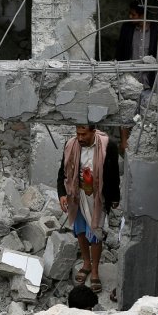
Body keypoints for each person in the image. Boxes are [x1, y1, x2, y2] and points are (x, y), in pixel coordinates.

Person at [57, 125, 120, 293]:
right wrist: (62, 194)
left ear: (94, 131)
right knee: (81, 231)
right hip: (76, 195)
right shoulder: (71, 145)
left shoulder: (108, 145)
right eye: (77, 133)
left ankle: (95, 271)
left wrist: (114, 197)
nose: (80, 137)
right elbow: (62, 172)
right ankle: (86, 263)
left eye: (84, 134)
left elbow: (114, 173)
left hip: (97, 197)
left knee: (95, 233)